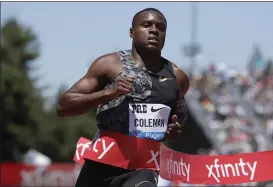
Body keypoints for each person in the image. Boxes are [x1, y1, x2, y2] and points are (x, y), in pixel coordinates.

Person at [57, 8, 189, 187]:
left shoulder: (177, 77)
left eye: (160, 27)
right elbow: (64, 107)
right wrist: (108, 93)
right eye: (146, 25)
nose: (154, 30)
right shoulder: (109, 65)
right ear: (131, 32)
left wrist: (174, 128)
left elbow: (179, 114)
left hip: (143, 167)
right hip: (102, 162)